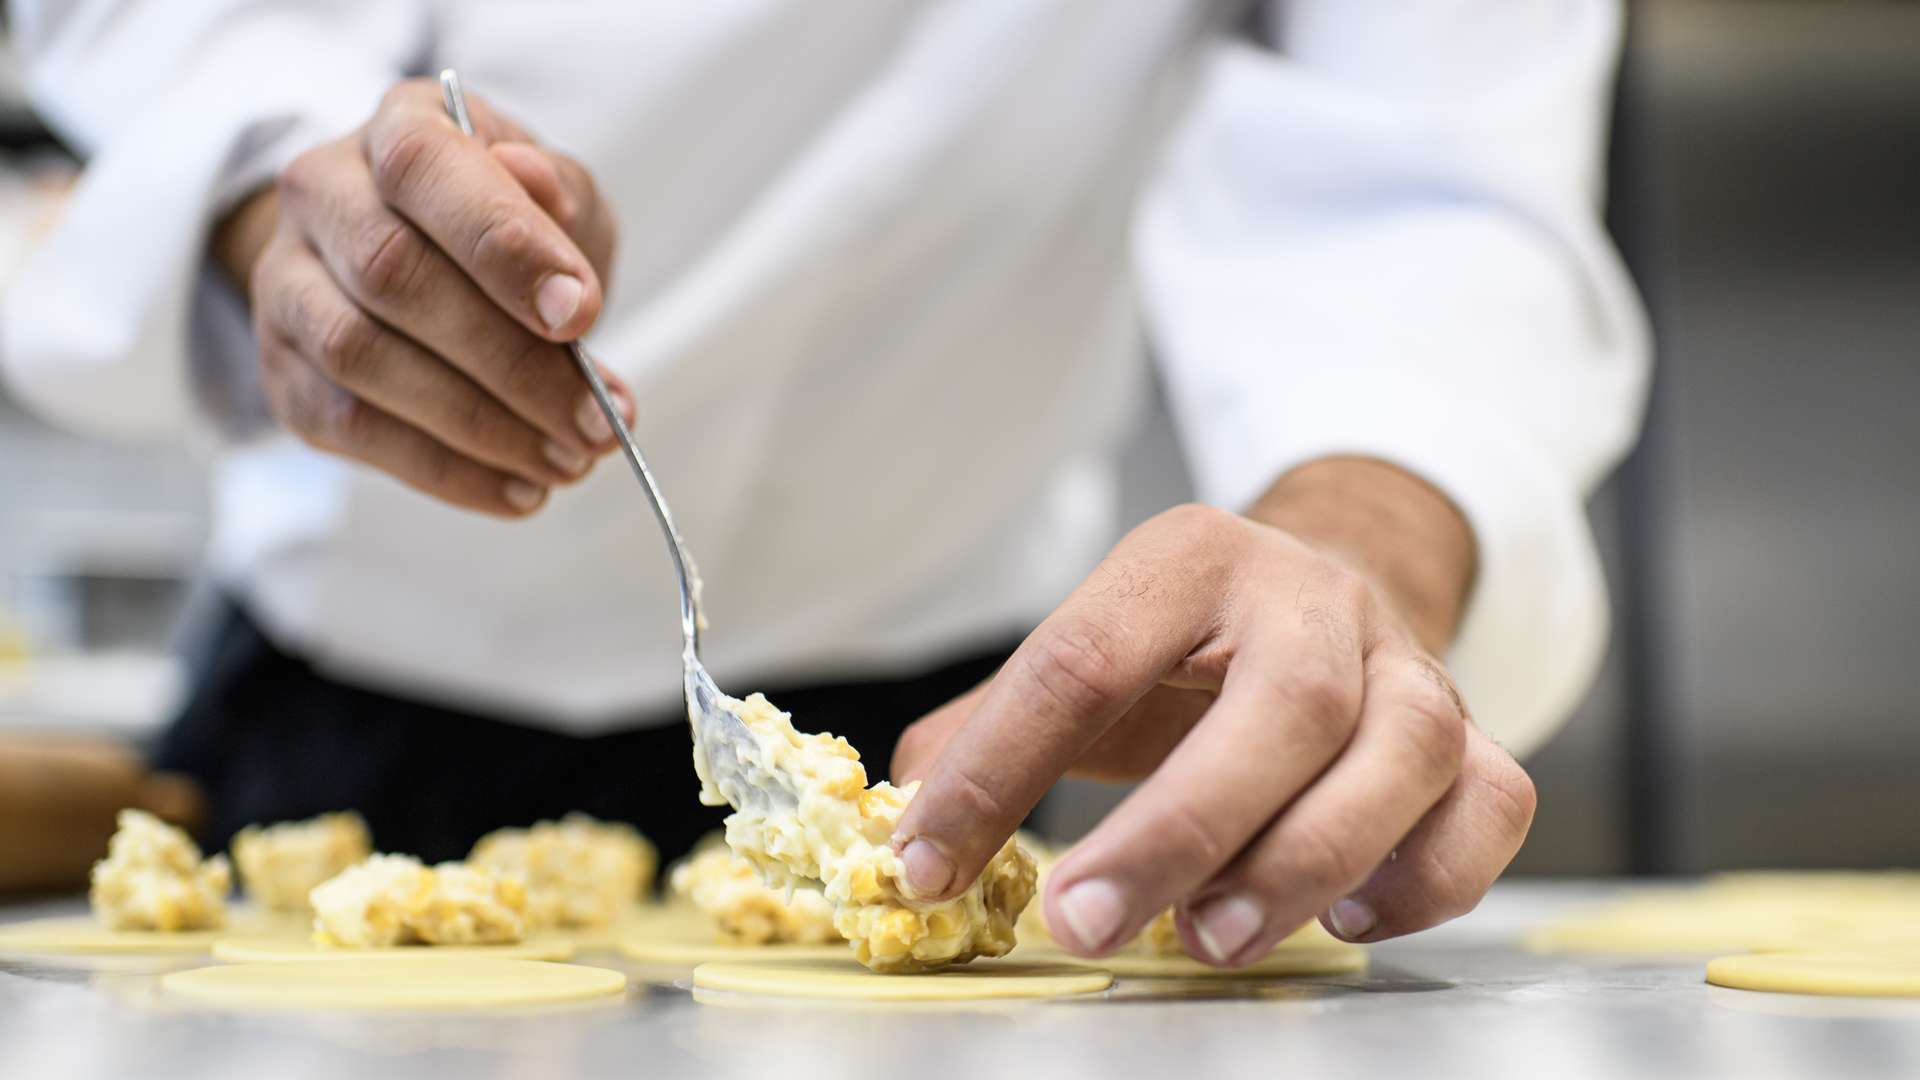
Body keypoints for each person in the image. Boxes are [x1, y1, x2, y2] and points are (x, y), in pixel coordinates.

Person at [0, 1, 1647, 967]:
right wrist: (274, 204)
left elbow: (1427, 178)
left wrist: (1356, 550)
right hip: (340, 731)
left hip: (965, 737)